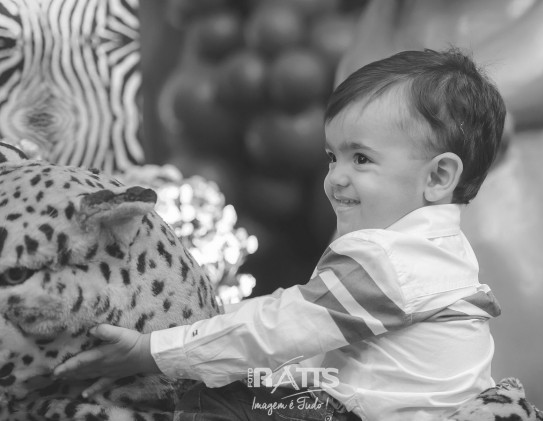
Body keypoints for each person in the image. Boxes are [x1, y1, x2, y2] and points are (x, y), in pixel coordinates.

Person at [54, 47, 506, 421]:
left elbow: (278, 329)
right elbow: (307, 339)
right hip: (382, 401)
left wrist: (153, 350)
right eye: (332, 157)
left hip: (359, 412)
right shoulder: (442, 251)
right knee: (250, 377)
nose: (335, 177)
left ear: (438, 176)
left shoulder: (389, 261)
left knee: (210, 397)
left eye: (361, 159)